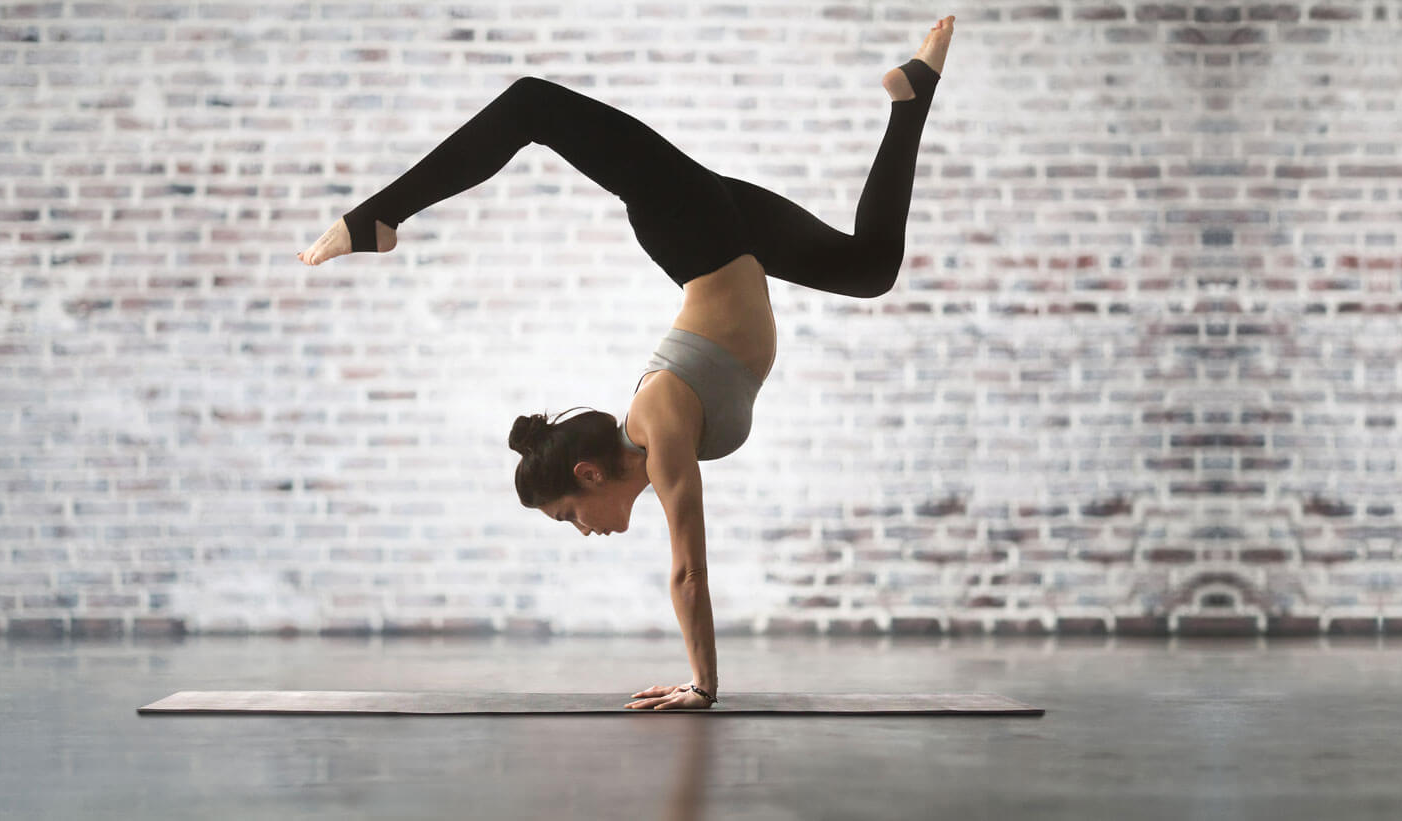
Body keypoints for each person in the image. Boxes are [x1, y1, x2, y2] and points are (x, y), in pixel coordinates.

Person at [301, 17, 957, 710]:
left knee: (532, 104)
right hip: (728, 234)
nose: (583, 530)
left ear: (588, 475)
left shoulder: (660, 418)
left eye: (569, 516)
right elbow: (690, 568)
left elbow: (688, 572)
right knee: (870, 266)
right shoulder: (658, 434)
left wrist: (702, 687)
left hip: (695, 226)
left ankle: (377, 218)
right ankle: (912, 96)